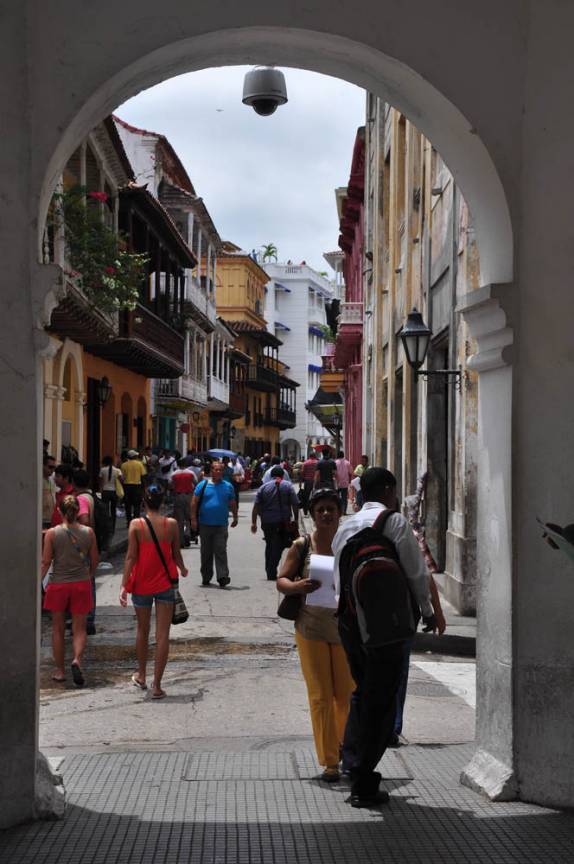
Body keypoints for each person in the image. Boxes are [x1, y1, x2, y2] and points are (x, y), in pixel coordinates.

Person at [332, 467, 436, 808]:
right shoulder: (394, 523)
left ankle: (352, 760)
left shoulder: (346, 525)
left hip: (350, 623)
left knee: (363, 692)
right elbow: (416, 572)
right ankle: (363, 776)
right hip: (387, 628)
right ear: (389, 490)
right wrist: (428, 610)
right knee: (383, 698)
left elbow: (338, 580)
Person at [277, 488, 354, 782]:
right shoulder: (301, 545)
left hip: (345, 630)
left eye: (330, 509)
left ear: (339, 513)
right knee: (321, 696)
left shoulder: (349, 545)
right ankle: (330, 761)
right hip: (310, 630)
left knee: (346, 695)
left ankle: (347, 748)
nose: (325, 514)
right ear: (312, 514)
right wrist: (297, 587)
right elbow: (281, 580)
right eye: (320, 509)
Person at [119, 482, 188, 699]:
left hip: (141, 584)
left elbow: (131, 557)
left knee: (142, 630)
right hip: (165, 584)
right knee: (163, 635)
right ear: (162, 502)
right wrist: (183, 568)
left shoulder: (136, 525)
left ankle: (141, 674)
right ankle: (157, 685)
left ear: (143, 501)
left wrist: (124, 585)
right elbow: (176, 553)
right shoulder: (172, 524)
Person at [41, 495, 98, 687]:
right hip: (81, 583)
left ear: (60, 512)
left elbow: (46, 561)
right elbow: (95, 560)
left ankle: (59, 670)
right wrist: (88, 576)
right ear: (76, 512)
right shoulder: (88, 532)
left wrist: (37, 582)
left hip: (58, 585)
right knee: (79, 628)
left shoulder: (52, 533)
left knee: (57, 629)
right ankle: (77, 660)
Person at [191, 461, 238, 587]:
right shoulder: (203, 485)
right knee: (206, 552)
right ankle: (206, 576)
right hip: (205, 524)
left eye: (220, 470)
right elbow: (194, 502)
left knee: (220, 550)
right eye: (216, 470)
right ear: (211, 471)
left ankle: (222, 576)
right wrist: (193, 519)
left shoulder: (228, 486)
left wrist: (235, 516)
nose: (218, 472)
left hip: (221, 524)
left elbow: (232, 502)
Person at [251, 466, 299, 581]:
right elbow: (295, 504)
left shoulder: (263, 487)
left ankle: (269, 568)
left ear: (271, 475)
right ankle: (271, 570)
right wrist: (296, 519)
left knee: (269, 544)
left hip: (267, 522)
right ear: (282, 475)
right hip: (282, 522)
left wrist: (254, 523)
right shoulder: (287, 486)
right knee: (279, 546)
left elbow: (256, 506)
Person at [170, 458, 196, 547]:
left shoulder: (174, 474)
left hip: (178, 496)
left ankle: (180, 541)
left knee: (179, 519)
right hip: (189, 496)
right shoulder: (191, 473)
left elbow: (170, 484)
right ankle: (187, 534)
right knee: (188, 517)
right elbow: (195, 483)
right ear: (185, 464)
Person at [99, 455, 123, 537]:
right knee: (113, 510)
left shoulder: (102, 470)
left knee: (105, 510)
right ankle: (112, 528)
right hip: (114, 492)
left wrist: (100, 491)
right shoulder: (117, 470)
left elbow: (101, 483)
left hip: (105, 492)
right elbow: (122, 480)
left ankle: (105, 527)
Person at [121, 449, 147, 524]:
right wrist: (144, 488)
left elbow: (122, 477)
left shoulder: (124, 465)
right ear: (134, 456)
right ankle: (136, 520)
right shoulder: (139, 464)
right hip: (137, 486)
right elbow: (143, 476)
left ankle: (129, 521)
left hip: (126, 486)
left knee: (127, 505)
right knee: (137, 505)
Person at [335, 451, 353, 515]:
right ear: (343, 455)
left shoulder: (335, 462)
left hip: (337, 484)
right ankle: (344, 511)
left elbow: (333, 473)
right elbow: (351, 472)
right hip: (345, 483)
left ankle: (337, 511)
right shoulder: (347, 462)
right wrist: (349, 480)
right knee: (344, 498)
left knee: (336, 498)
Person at [42, 454, 57, 529]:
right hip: (42, 519)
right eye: (50, 467)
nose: (52, 470)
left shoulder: (52, 480)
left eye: (54, 468)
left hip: (51, 517)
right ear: (43, 466)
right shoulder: (39, 480)